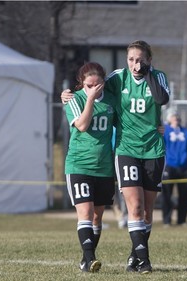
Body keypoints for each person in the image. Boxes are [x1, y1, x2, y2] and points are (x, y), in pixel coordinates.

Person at [62, 40, 170, 274]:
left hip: (152, 150)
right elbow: (90, 92)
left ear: (149, 60)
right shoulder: (117, 78)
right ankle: (143, 259)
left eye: (140, 59)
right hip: (125, 151)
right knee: (135, 205)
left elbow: (162, 99)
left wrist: (147, 73)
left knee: (146, 211)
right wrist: (69, 93)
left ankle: (134, 256)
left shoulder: (158, 77)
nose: (135, 64)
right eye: (131, 59)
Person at [64, 62, 117, 273]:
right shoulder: (74, 100)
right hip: (79, 165)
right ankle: (90, 258)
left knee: (97, 216)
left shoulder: (112, 101)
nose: (94, 88)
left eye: (98, 85)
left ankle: (86, 260)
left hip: (103, 167)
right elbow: (83, 125)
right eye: (89, 85)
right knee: (84, 212)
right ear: (81, 84)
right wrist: (90, 100)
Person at [161, 110, 187, 226]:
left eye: (177, 116)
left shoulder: (185, 131)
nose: (176, 119)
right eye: (174, 116)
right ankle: (167, 219)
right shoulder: (165, 130)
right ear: (169, 119)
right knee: (167, 194)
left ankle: (182, 219)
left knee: (184, 194)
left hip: (183, 166)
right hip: (170, 165)